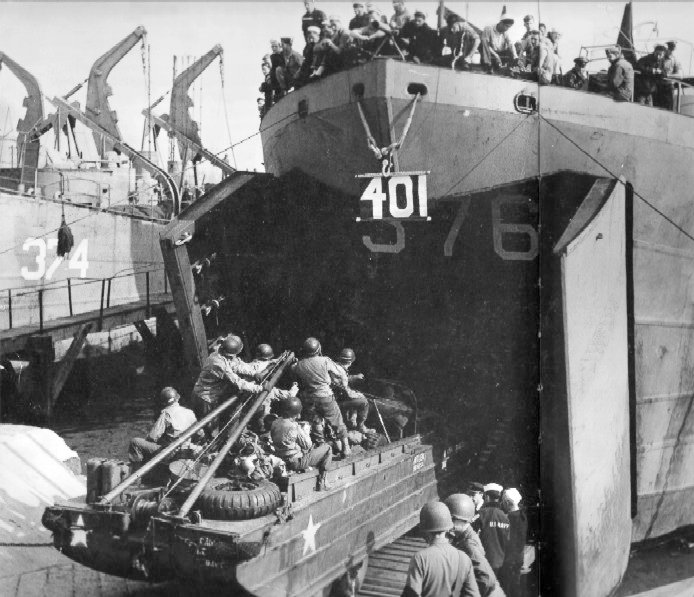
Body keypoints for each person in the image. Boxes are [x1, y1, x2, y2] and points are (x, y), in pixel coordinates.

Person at [402, 501, 480, 597]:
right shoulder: (464, 558)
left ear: (425, 532)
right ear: (448, 528)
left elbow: (411, 594)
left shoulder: (421, 558)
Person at [191, 334, 263, 435]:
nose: (235, 357)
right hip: (204, 398)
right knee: (211, 429)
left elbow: (237, 365)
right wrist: (259, 388)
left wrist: (254, 373)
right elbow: (237, 381)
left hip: (212, 395)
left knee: (215, 423)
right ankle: (212, 443)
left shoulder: (223, 352)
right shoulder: (218, 363)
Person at [292, 337, 351, 457]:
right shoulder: (324, 360)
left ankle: (323, 450)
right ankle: (346, 448)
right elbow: (340, 372)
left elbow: (294, 372)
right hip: (325, 396)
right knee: (337, 421)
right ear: (318, 349)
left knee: (317, 423)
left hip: (309, 398)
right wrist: (344, 386)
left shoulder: (298, 365)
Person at [445, 493, 505, 597]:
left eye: (450, 519)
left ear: (461, 520)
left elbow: (487, 580)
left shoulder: (468, 544)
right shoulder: (462, 537)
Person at [270, 396, 332, 490]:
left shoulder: (275, 422)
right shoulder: (294, 426)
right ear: (297, 412)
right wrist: (304, 430)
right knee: (327, 448)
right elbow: (307, 445)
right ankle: (322, 481)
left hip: (280, 458)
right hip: (295, 463)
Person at [129, 387, 198, 466]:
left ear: (164, 402)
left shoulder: (166, 414)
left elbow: (152, 437)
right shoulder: (190, 412)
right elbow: (199, 434)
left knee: (135, 442)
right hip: (186, 450)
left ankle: (137, 471)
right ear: (177, 398)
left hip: (170, 454)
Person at [476, 483, 510, 580]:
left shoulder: (481, 514)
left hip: (485, 562)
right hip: (503, 563)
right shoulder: (506, 517)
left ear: (486, 497)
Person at [334, 348, 371, 433]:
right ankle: (360, 426)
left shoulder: (336, 366)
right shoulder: (342, 371)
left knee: (355, 398)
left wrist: (355, 377)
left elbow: (342, 380)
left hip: (334, 397)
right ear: (350, 362)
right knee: (364, 402)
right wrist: (358, 394)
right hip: (338, 401)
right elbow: (347, 394)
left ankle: (351, 421)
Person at [500, 488, 527, 597]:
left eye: (503, 502)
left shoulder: (510, 518)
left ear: (507, 502)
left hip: (509, 560)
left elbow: (508, 541)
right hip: (518, 558)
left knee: (508, 589)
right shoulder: (522, 515)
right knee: (516, 586)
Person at [660, 40, 682, 110]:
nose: (670, 51)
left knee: (670, 107)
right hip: (659, 85)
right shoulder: (661, 58)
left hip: (669, 86)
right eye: (670, 49)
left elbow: (679, 75)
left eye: (672, 50)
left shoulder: (675, 60)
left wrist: (668, 76)